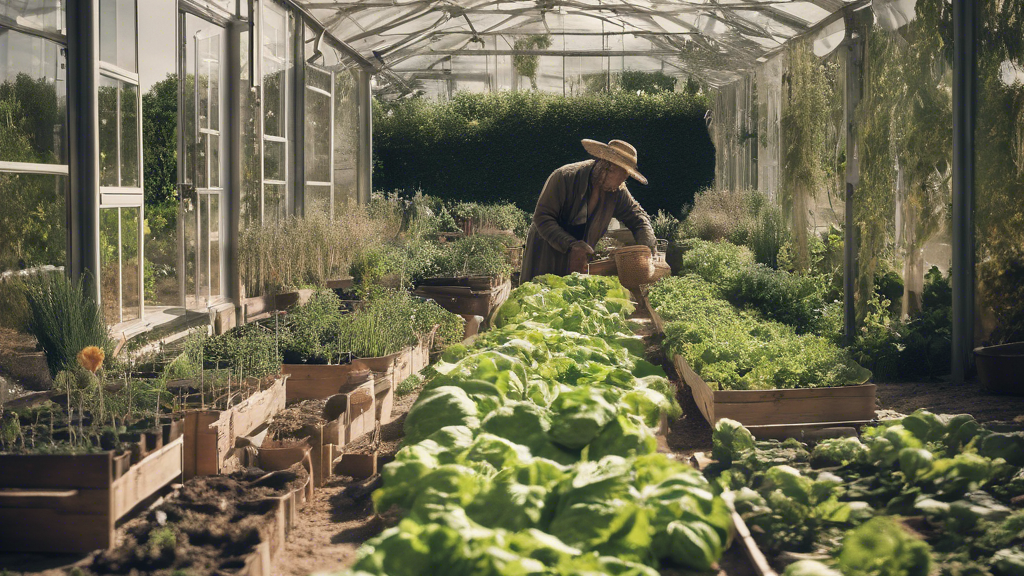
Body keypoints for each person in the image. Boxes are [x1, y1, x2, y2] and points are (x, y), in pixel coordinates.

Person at [520, 139, 657, 283]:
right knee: (538, 296)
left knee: (570, 298)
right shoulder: (565, 177)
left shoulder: (617, 190)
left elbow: (638, 217)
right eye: (621, 177)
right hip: (546, 251)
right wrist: (571, 245)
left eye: (625, 178)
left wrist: (646, 247)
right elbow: (543, 217)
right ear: (607, 168)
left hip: (577, 260)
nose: (620, 184)